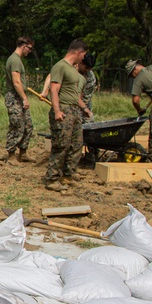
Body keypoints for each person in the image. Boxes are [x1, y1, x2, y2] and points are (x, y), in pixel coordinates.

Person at [43, 39, 92, 191]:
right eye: (83, 55)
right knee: (61, 145)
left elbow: (75, 94)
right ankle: (52, 179)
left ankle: (68, 175)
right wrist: (57, 111)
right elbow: (54, 90)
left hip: (74, 111)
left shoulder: (72, 70)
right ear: (78, 52)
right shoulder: (60, 66)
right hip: (63, 109)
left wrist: (84, 108)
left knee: (76, 144)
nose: (83, 58)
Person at [0, 36, 35, 163]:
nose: (30, 51)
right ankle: (11, 154)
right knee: (17, 125)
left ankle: (23, 153)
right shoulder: (14, 60)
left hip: (19, 97)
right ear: (23, 46)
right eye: (29, 48)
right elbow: (16, 82)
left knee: (28, 125)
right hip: (15, 97)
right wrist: (24, 98)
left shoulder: (17, 60)